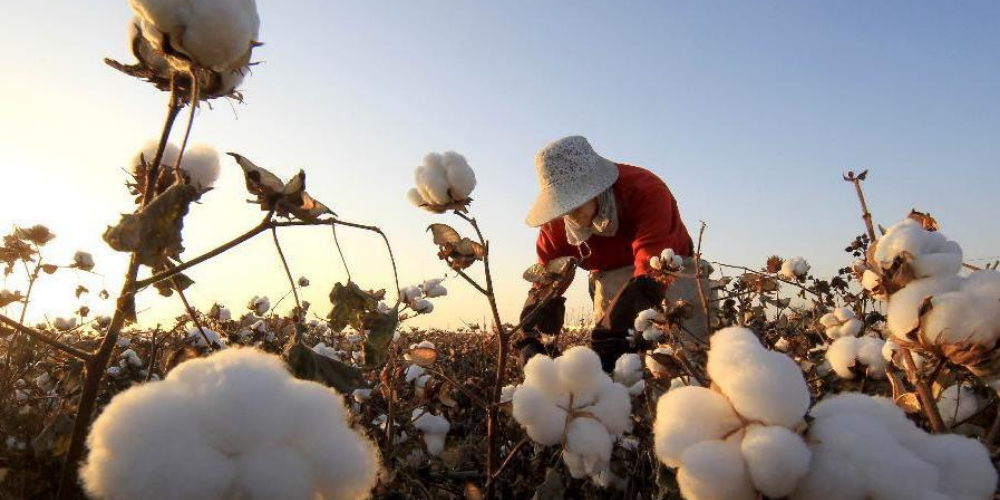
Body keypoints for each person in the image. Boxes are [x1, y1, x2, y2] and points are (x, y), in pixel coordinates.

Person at [516, 135, 709, 371]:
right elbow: (547, 284)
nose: (571, 215)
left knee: (690, 354)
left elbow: (652, 268)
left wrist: (614, 329)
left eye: (576, 203)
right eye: (564, 207)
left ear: (597, 188)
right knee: (620, 371)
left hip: (671, 271)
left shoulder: (645, 190)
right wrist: (531, 338)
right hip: (610, 278)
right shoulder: (556, 227)